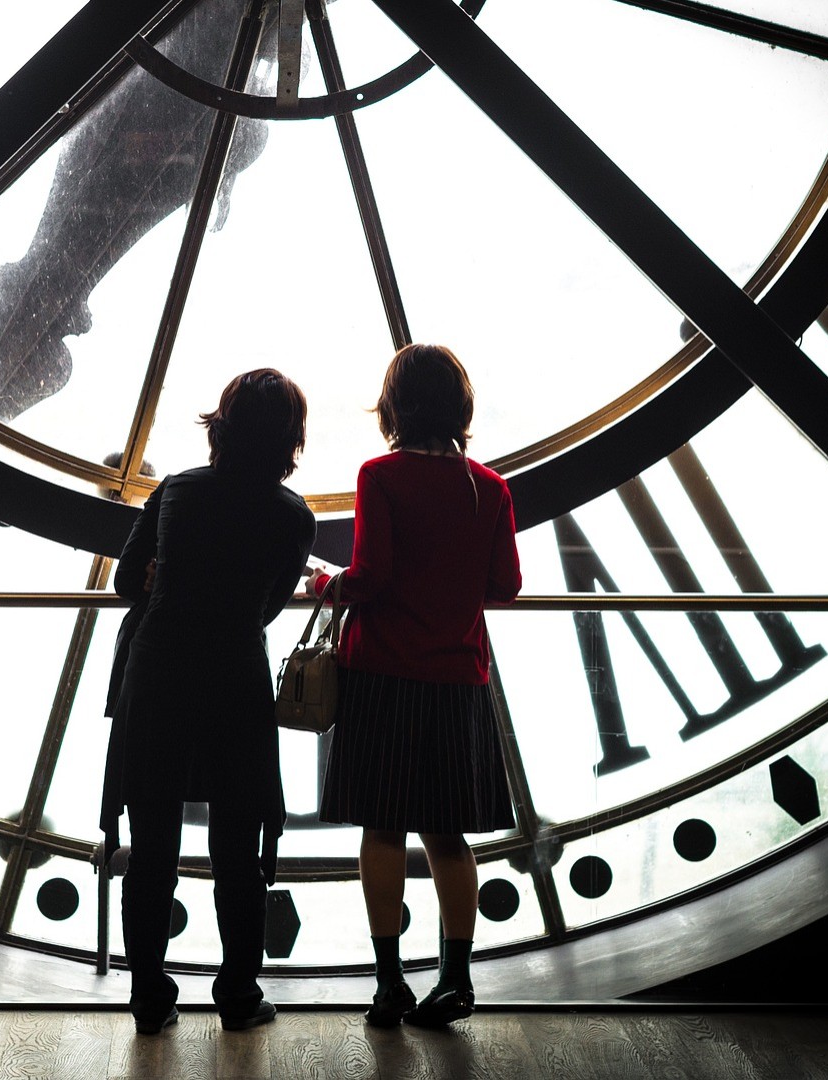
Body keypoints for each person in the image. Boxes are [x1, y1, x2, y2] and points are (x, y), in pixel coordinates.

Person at [100, 369, 317, 1035]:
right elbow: (268, 608)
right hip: (234, 681)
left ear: (220, 426)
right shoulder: (293, 517)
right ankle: (237, 993)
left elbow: (124, 587)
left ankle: (148, 995)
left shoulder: (176, 491)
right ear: (289, 440)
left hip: (159, 673)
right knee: (238, 851)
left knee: (152, 844)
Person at [312, 343, 522, 1029]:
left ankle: (389, 982)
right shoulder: (489, 488)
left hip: (383, 675)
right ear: (460, 408)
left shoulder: (381, 475)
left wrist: (325, 585)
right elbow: (504, 587)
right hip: (458, 676)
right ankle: (456, 979)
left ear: (394, 407)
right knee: (448, 837)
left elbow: (368, 576)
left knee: (382, 830)